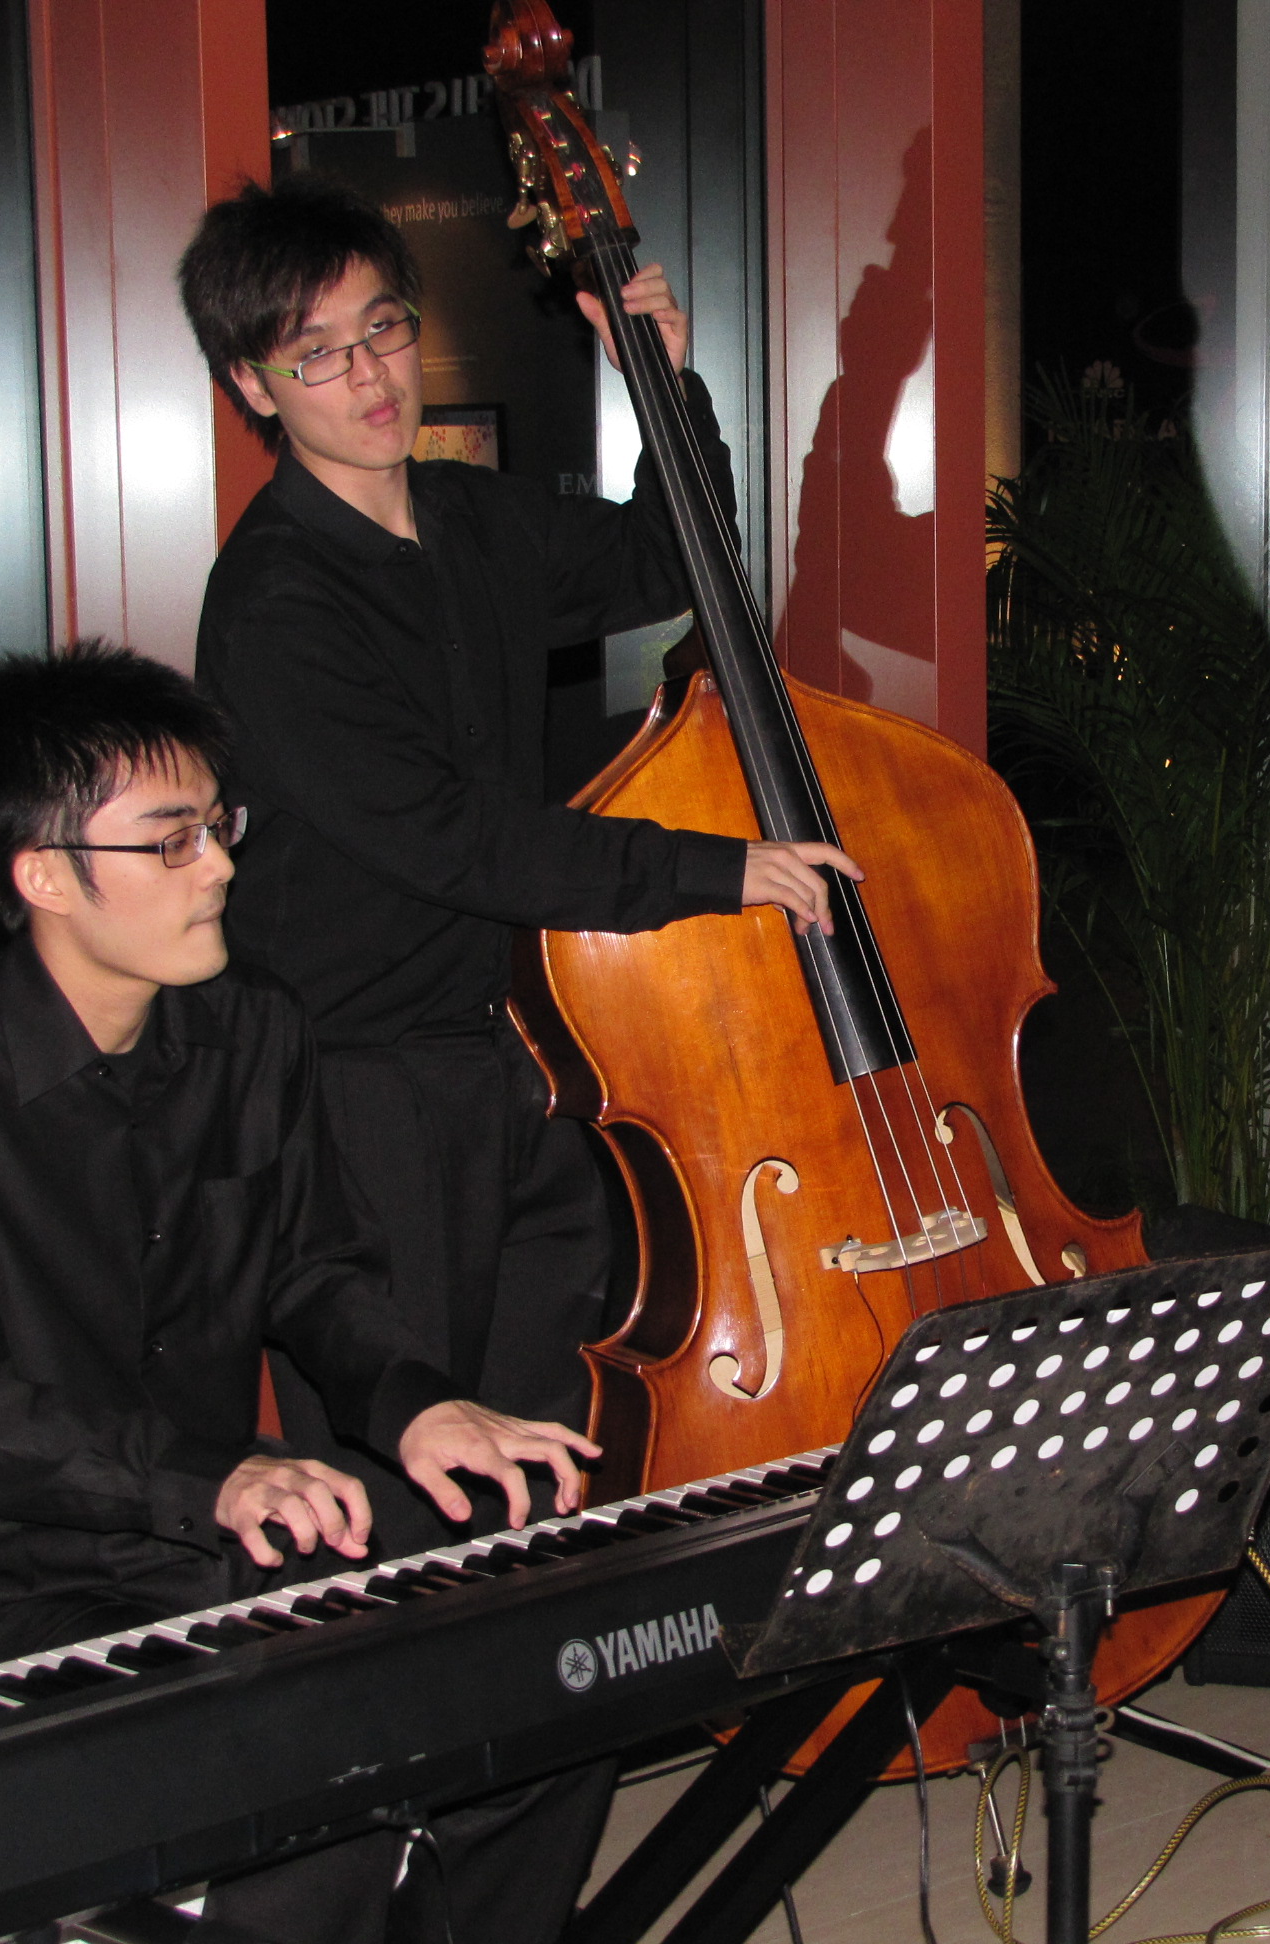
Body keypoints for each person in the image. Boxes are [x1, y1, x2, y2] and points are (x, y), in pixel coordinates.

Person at [0, 646, 609, 1944]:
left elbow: (314, 1273)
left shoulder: (255, 1027)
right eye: (170, 841)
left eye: (217, 826)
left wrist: (418, 1406)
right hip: (27, 1585)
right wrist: (218, 1480)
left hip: (242, 1548)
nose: (219, 869)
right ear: (43, 875)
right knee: (319, 1776)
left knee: (559, 1684)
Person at [179, 178, 856, 1542]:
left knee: (553, 1449)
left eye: (383, 329)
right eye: (318, 355)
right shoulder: (274, 603)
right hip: (362, 1091)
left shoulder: (468, 518)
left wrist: (664, 382)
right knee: (404, 1480)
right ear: (253, 386)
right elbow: (451, 837)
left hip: (524, 1051)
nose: (369, 376)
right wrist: (712, 870)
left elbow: (668, 559)